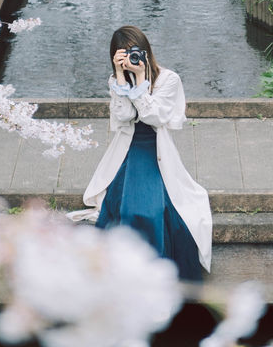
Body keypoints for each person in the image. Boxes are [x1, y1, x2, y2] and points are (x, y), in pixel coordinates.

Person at [68, 26, 212, 281]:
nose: (132, 60)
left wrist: (143, 80)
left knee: (151, 211)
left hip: (156, 147)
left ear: (146, 52)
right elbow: (124, 116)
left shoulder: (168, 79)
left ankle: (153, 275)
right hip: (128, 148)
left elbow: (153, 116)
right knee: (130, 209)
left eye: (136, 53)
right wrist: (122, 79)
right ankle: (126, 275)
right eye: (124, 55)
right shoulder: (116, 80)